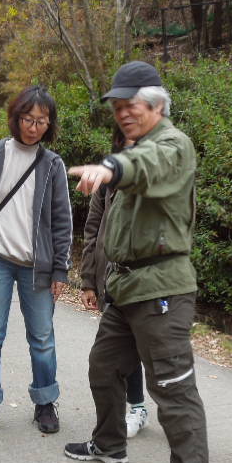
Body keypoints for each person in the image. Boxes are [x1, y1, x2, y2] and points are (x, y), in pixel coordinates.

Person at [62, 61, 209, 463]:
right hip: (124, 285)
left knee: (171, 385)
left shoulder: (172, 146)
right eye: (118, 106)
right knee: (103, 367)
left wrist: (110, 166)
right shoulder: (135, 150)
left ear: (158, 106)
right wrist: (95, 278)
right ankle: (109, 443)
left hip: (162, 287)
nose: (124, 112)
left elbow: (147, 166)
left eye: (134, 105)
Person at [0, 86, 72, 437]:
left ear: (49, 124)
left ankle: (45, 402)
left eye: (41, 121)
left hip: (37, 265)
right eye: (28, 119)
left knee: (42, 337)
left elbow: (62, 220)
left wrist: (61, 268)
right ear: (16, 118)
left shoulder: (52, 164)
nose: (33, 127)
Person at [79, 128, 148, 438]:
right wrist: (88, 281)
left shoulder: (155, 179)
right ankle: (131, 408)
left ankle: (139, 408)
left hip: (146, 282)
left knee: (144, 351)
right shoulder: (106, 184)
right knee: (117, 350)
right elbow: (93, 230)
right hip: (111, 278)